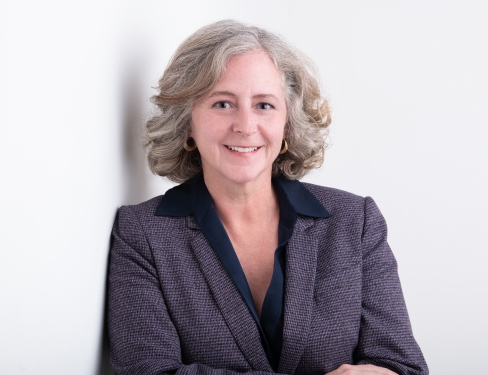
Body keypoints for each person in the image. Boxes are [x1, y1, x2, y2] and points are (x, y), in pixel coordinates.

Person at [108, 20, 428, 375]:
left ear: (287, 124)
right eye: (223, 104)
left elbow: (403, 367)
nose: (245, 126)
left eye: (264, 105)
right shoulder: (141, 235)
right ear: (188, 122)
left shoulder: (355, 221)